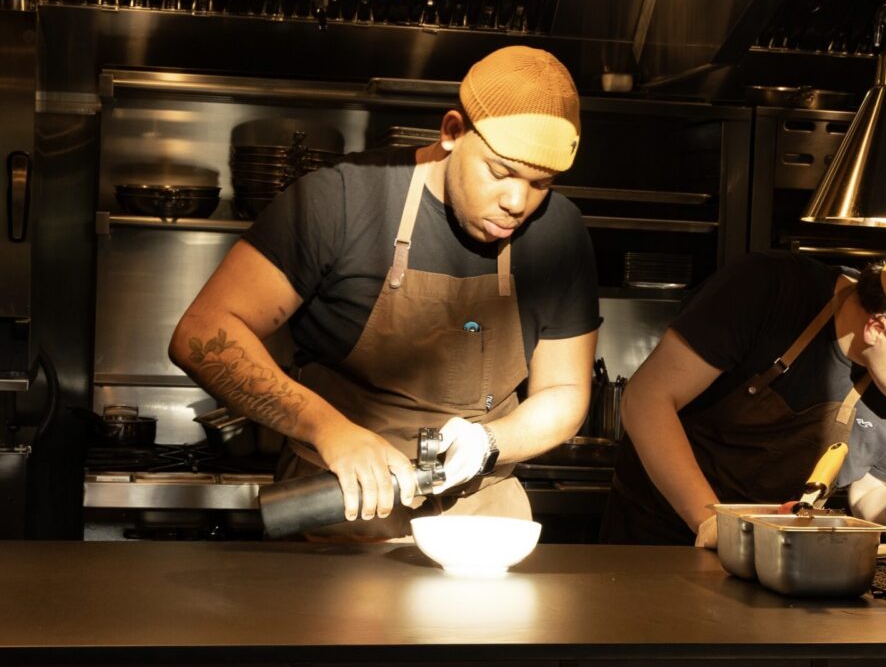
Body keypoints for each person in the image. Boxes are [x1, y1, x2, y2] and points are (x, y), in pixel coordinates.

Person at [169, 46, 600, 539]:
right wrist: (329, 430)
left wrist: (488, 442)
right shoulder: (342, 200)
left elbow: (565, 391)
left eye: (541, 183)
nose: (516, 202)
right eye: (500, 172)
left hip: (481, 519)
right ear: (453, 131)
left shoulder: (560, 232)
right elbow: (202, 332)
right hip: (341, 504)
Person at [601, 246, 886, 547]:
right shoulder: (768, 290)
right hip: (654, 535)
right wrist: (708, 519)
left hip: (778, 558)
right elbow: (647, 399)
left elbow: (867, 491)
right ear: (878, 329)